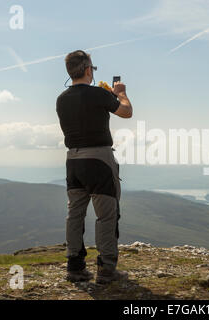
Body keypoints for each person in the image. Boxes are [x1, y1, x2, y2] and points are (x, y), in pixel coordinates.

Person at [56, 50, 133, 283]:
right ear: (88, 70)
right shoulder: (99, 95)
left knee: (75, 214)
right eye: (93, 69)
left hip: (73, 161)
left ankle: (75, 267)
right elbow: (126, 112)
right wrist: (121, 94)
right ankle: (106, 269)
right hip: (99, 160)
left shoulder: (61, 99)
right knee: (106, 215)